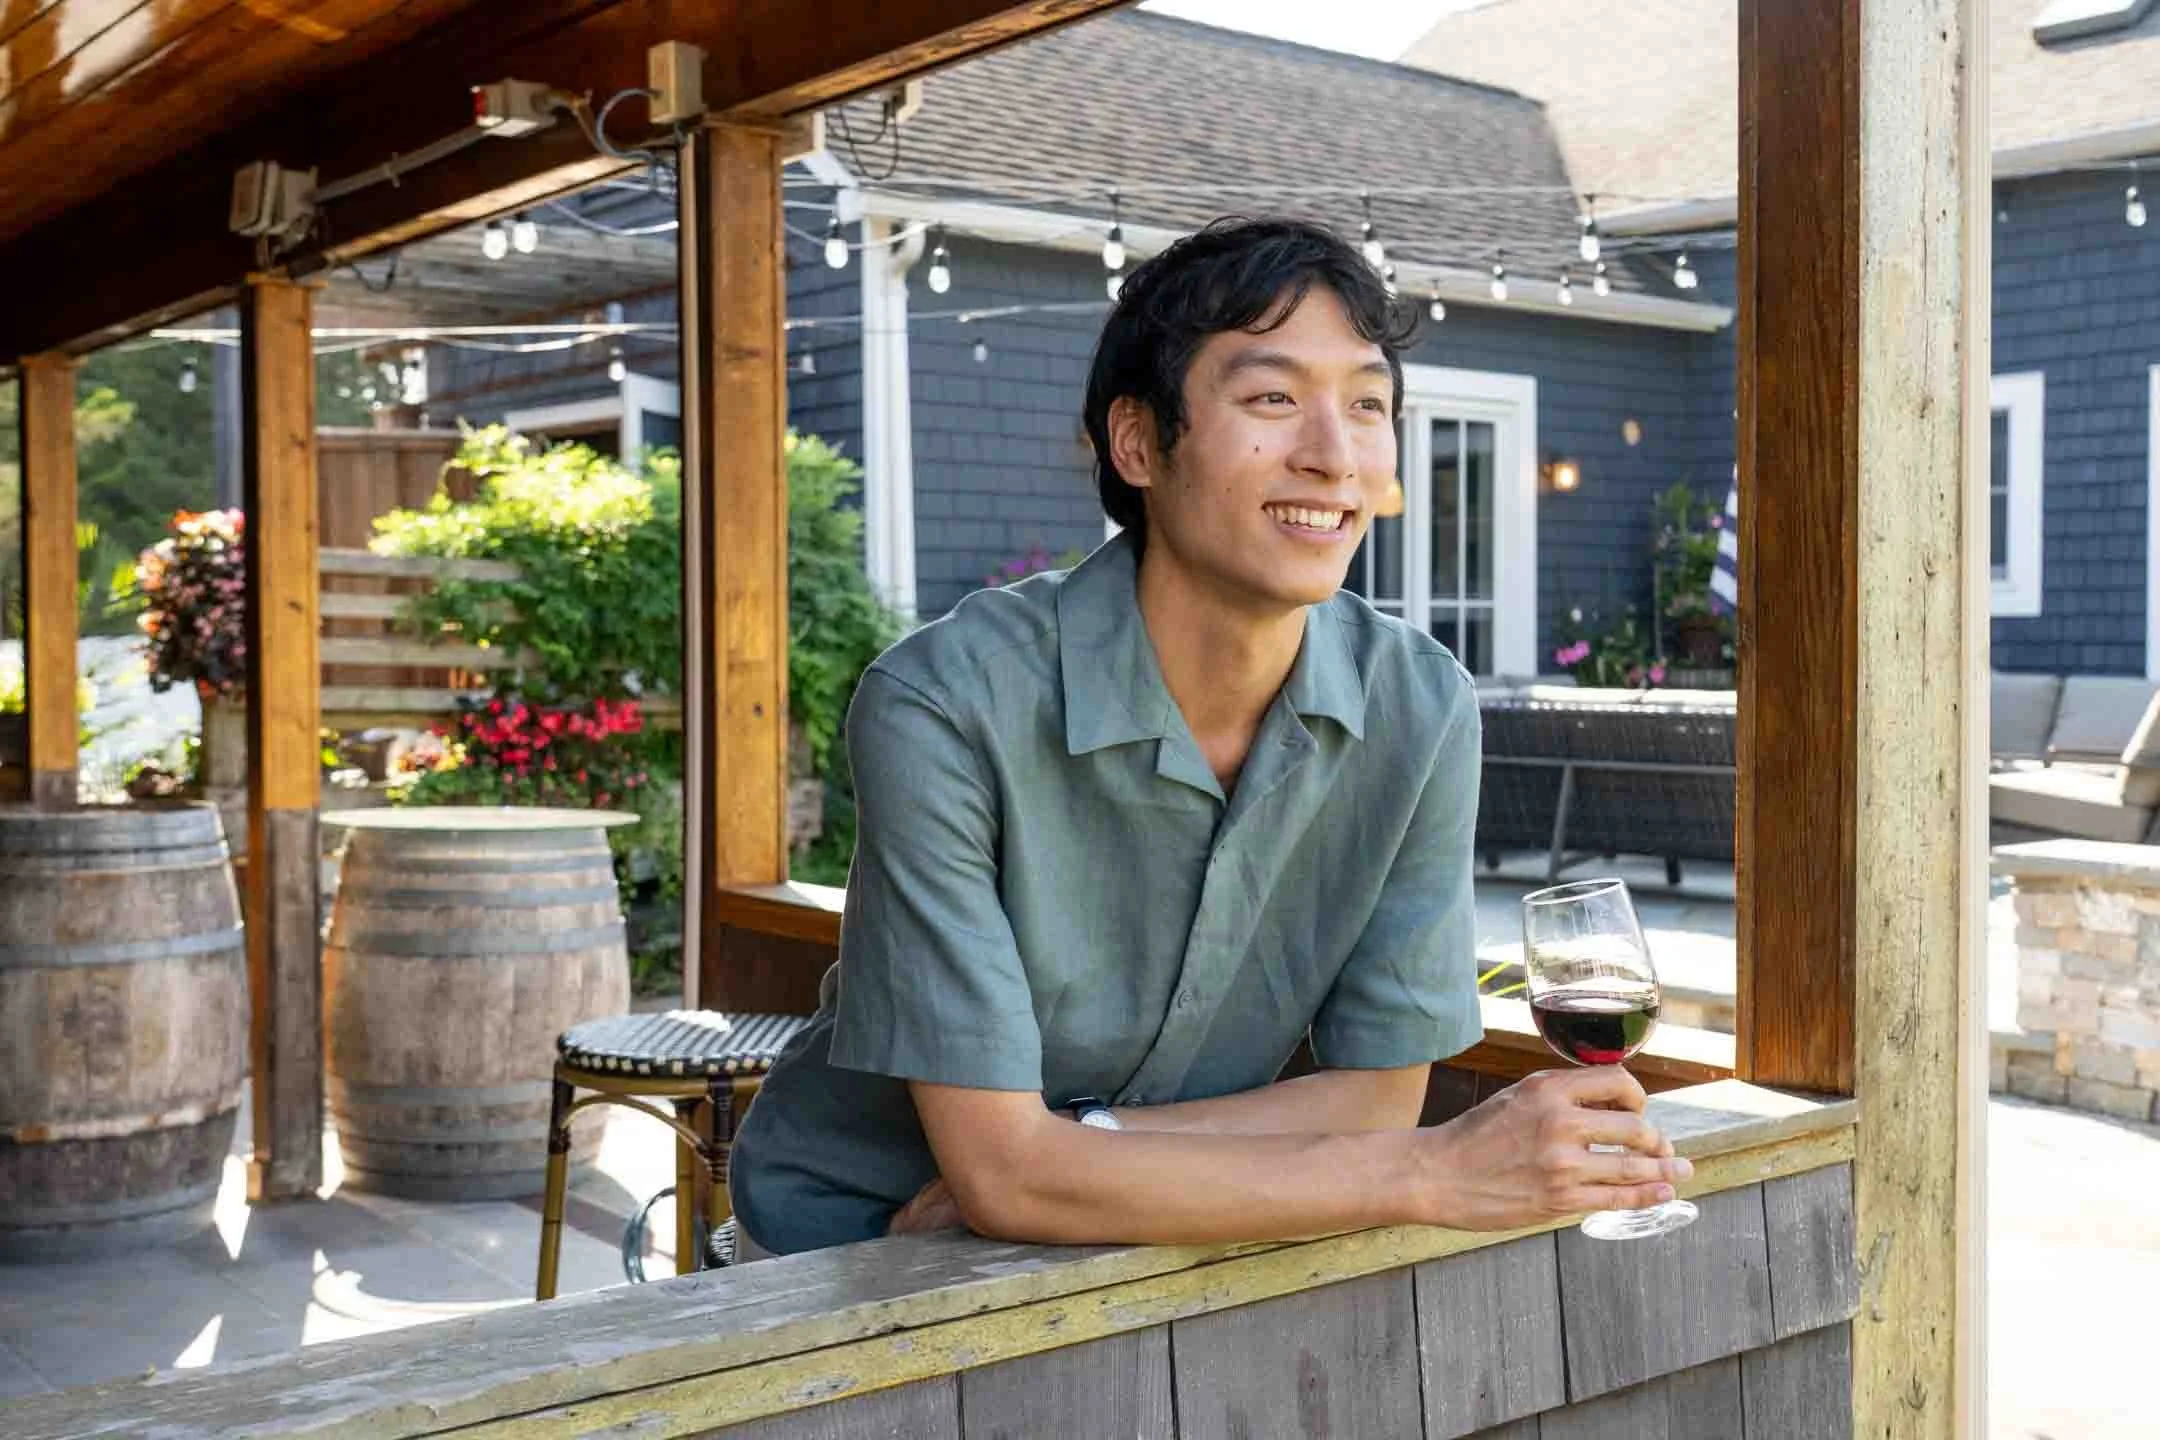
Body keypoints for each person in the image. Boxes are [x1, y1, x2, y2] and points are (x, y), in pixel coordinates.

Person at [725, 217, 1691, 1258]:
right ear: (1137, 441)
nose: (1334, 457)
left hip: (1150, 1243)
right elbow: (1007, 1176)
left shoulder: (1419, 706)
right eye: (1273, 399)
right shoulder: (944, 703)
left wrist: (1071, 1160)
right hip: (851, 1249)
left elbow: (1368, 1100)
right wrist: (1434, 1172)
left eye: (1366, 405)